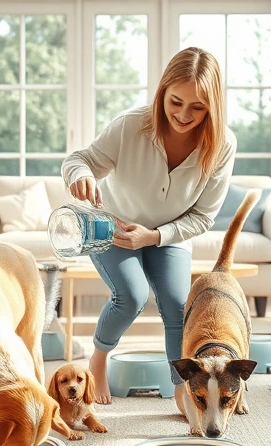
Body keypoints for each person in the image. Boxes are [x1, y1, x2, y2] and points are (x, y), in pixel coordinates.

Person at [61, 46, 237, 406]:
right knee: (131, 297)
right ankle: (98, 358)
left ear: (213, 107)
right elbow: (82, 159)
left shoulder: (222, 145)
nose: (183, 115)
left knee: (175, 304)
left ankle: (181, 386)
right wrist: (80, 175)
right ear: (162, 93)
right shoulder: (131, 125)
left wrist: (156, 236)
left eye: (197, 107)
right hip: (112, 229)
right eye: (175, 102)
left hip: (169, 236)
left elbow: (203, 216)